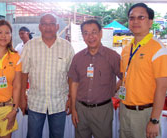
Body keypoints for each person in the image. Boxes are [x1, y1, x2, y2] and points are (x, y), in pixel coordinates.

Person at [20, 13, 75, 138]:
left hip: (59, 103)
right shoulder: (30, 46)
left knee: (57, 136)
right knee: (33, 135)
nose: (48, 27)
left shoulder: (67, 47)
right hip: (35, 102)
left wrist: (71, 98)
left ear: (57, 27)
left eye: (51, 24)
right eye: (45, 24)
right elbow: (24, 73)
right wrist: (22, 97)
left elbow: (71, 76)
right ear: (40, 27)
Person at [68, 19, 122, 138]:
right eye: (86, 33)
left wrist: (113, 89)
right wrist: (73, 109)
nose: (90, 36)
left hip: (102, 110)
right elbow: (74, 84)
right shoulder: (78, 57)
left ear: (101, 33)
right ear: (82, 36)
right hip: (80, 109)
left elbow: (124, 77)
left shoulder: (112, 56)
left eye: (94, 32)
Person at [119, 3, 167, 138]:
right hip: (125, 110)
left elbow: (162, 87)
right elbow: (125, 77)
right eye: (131, 17)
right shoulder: (127, 48)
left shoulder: (158, 49)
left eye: (141, 17)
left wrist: (154, 120)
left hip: (145, 113)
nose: (135, 21)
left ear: (150, 22)